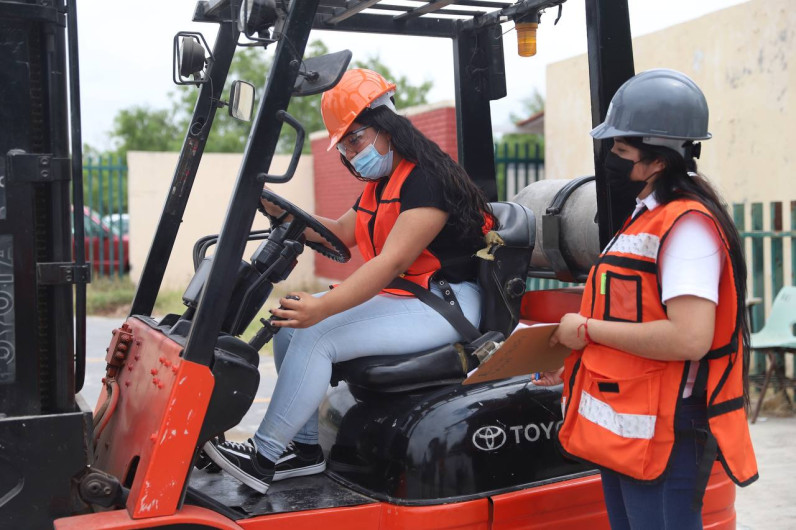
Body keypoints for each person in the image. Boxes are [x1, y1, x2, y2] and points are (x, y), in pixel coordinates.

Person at [203, 68, 494, 494]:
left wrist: (322, 308)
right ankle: (302, 452)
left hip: (448, 303)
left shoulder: (427, 180)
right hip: (412, 297)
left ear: (386, 125)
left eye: (355, 139)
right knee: (290, 327)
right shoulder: (381, 185)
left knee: (316, 331)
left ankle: (263, 457)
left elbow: (390, 263)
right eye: (345, 146)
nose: (351, 153)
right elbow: (340, 232)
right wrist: (278, 210)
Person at [534, 69, 758, 529]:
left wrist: (587, 330)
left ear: (657, 160)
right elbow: (631, 311)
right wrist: (579, 356)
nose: (610, 159)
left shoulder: (687, 227)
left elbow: (690, 337)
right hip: (633, 424)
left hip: (669, 430)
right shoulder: (646, 217)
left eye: (620, 150)